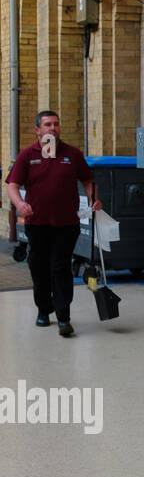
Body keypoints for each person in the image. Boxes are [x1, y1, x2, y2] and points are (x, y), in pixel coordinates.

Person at [5, 111, 100, 337]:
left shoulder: (72, 154)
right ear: (37, 130)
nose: (53, 128)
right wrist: (19, 203)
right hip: (36, 223)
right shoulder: (27, 155)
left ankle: (63, 316)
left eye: (56, 124)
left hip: (66, 223)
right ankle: (43, 310)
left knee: (60, 267)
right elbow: (12, 185)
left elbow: (87, 180)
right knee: (39, 268)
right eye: (47, 125)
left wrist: (94, 196)